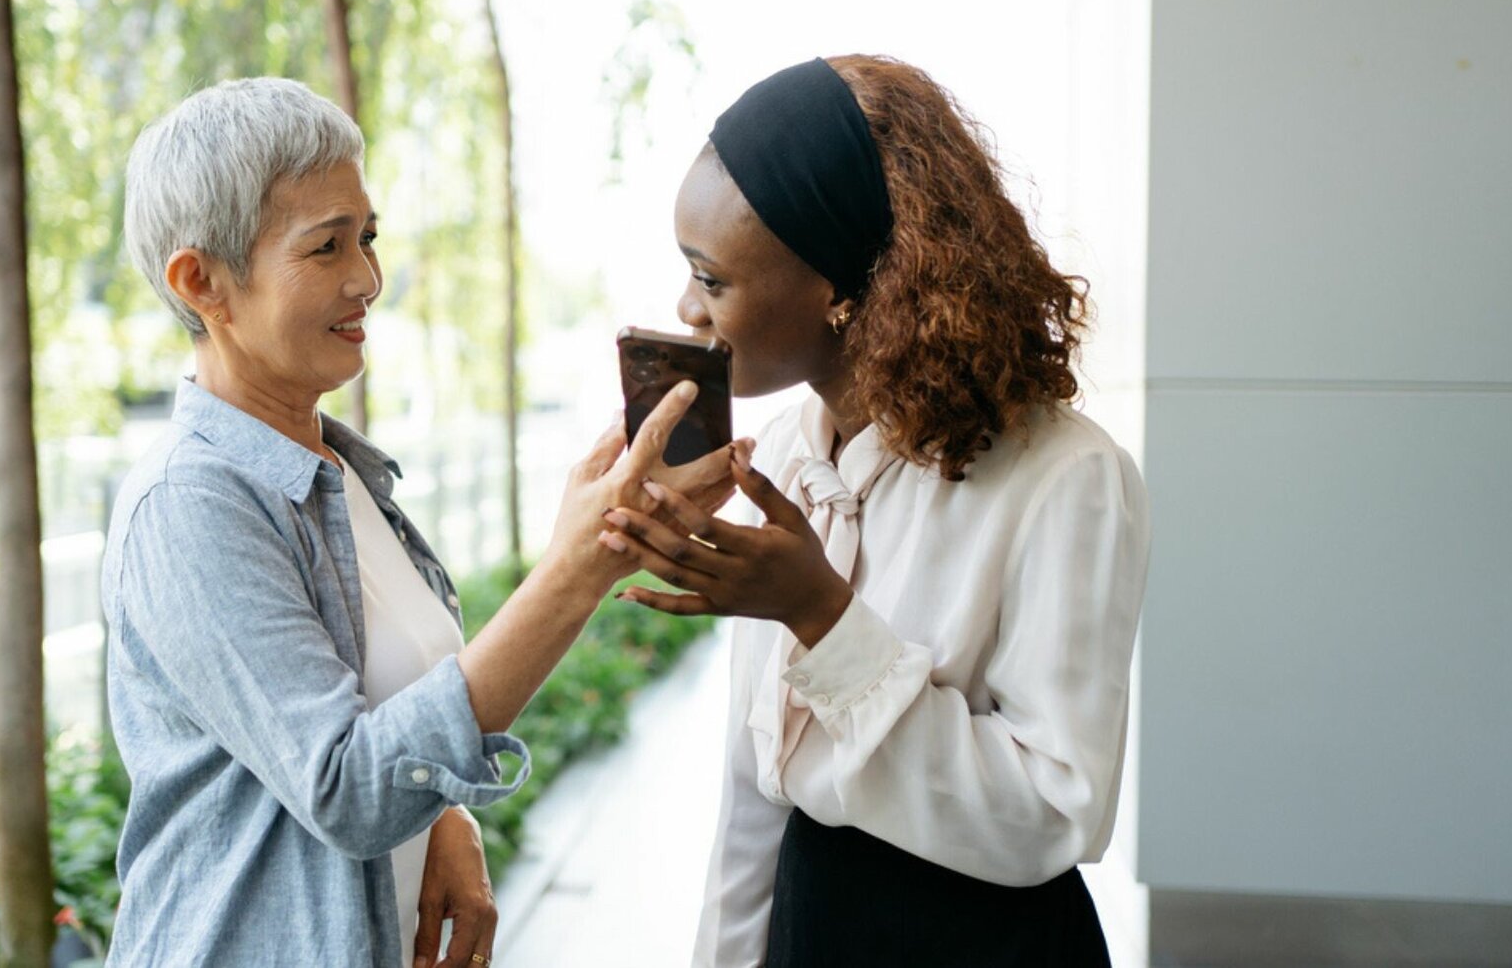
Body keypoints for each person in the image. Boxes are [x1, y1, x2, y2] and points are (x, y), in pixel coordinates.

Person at [100, 78, 734, 968]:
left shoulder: (336, 470)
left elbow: (383, 712)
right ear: (201, 281)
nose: (367, 279)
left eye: (367, 237)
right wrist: (580, 566)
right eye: (326, 246)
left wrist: (443, 814)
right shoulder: (189, 505)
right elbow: (346, 788)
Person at [599, 55, 1151, 965]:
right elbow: (753, 794)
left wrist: (822, 615)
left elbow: (1057, 813)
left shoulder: (1068, 478)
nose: (684, 307)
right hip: (806, 928)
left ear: (838, 293)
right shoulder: (780, 455)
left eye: (712, 278)